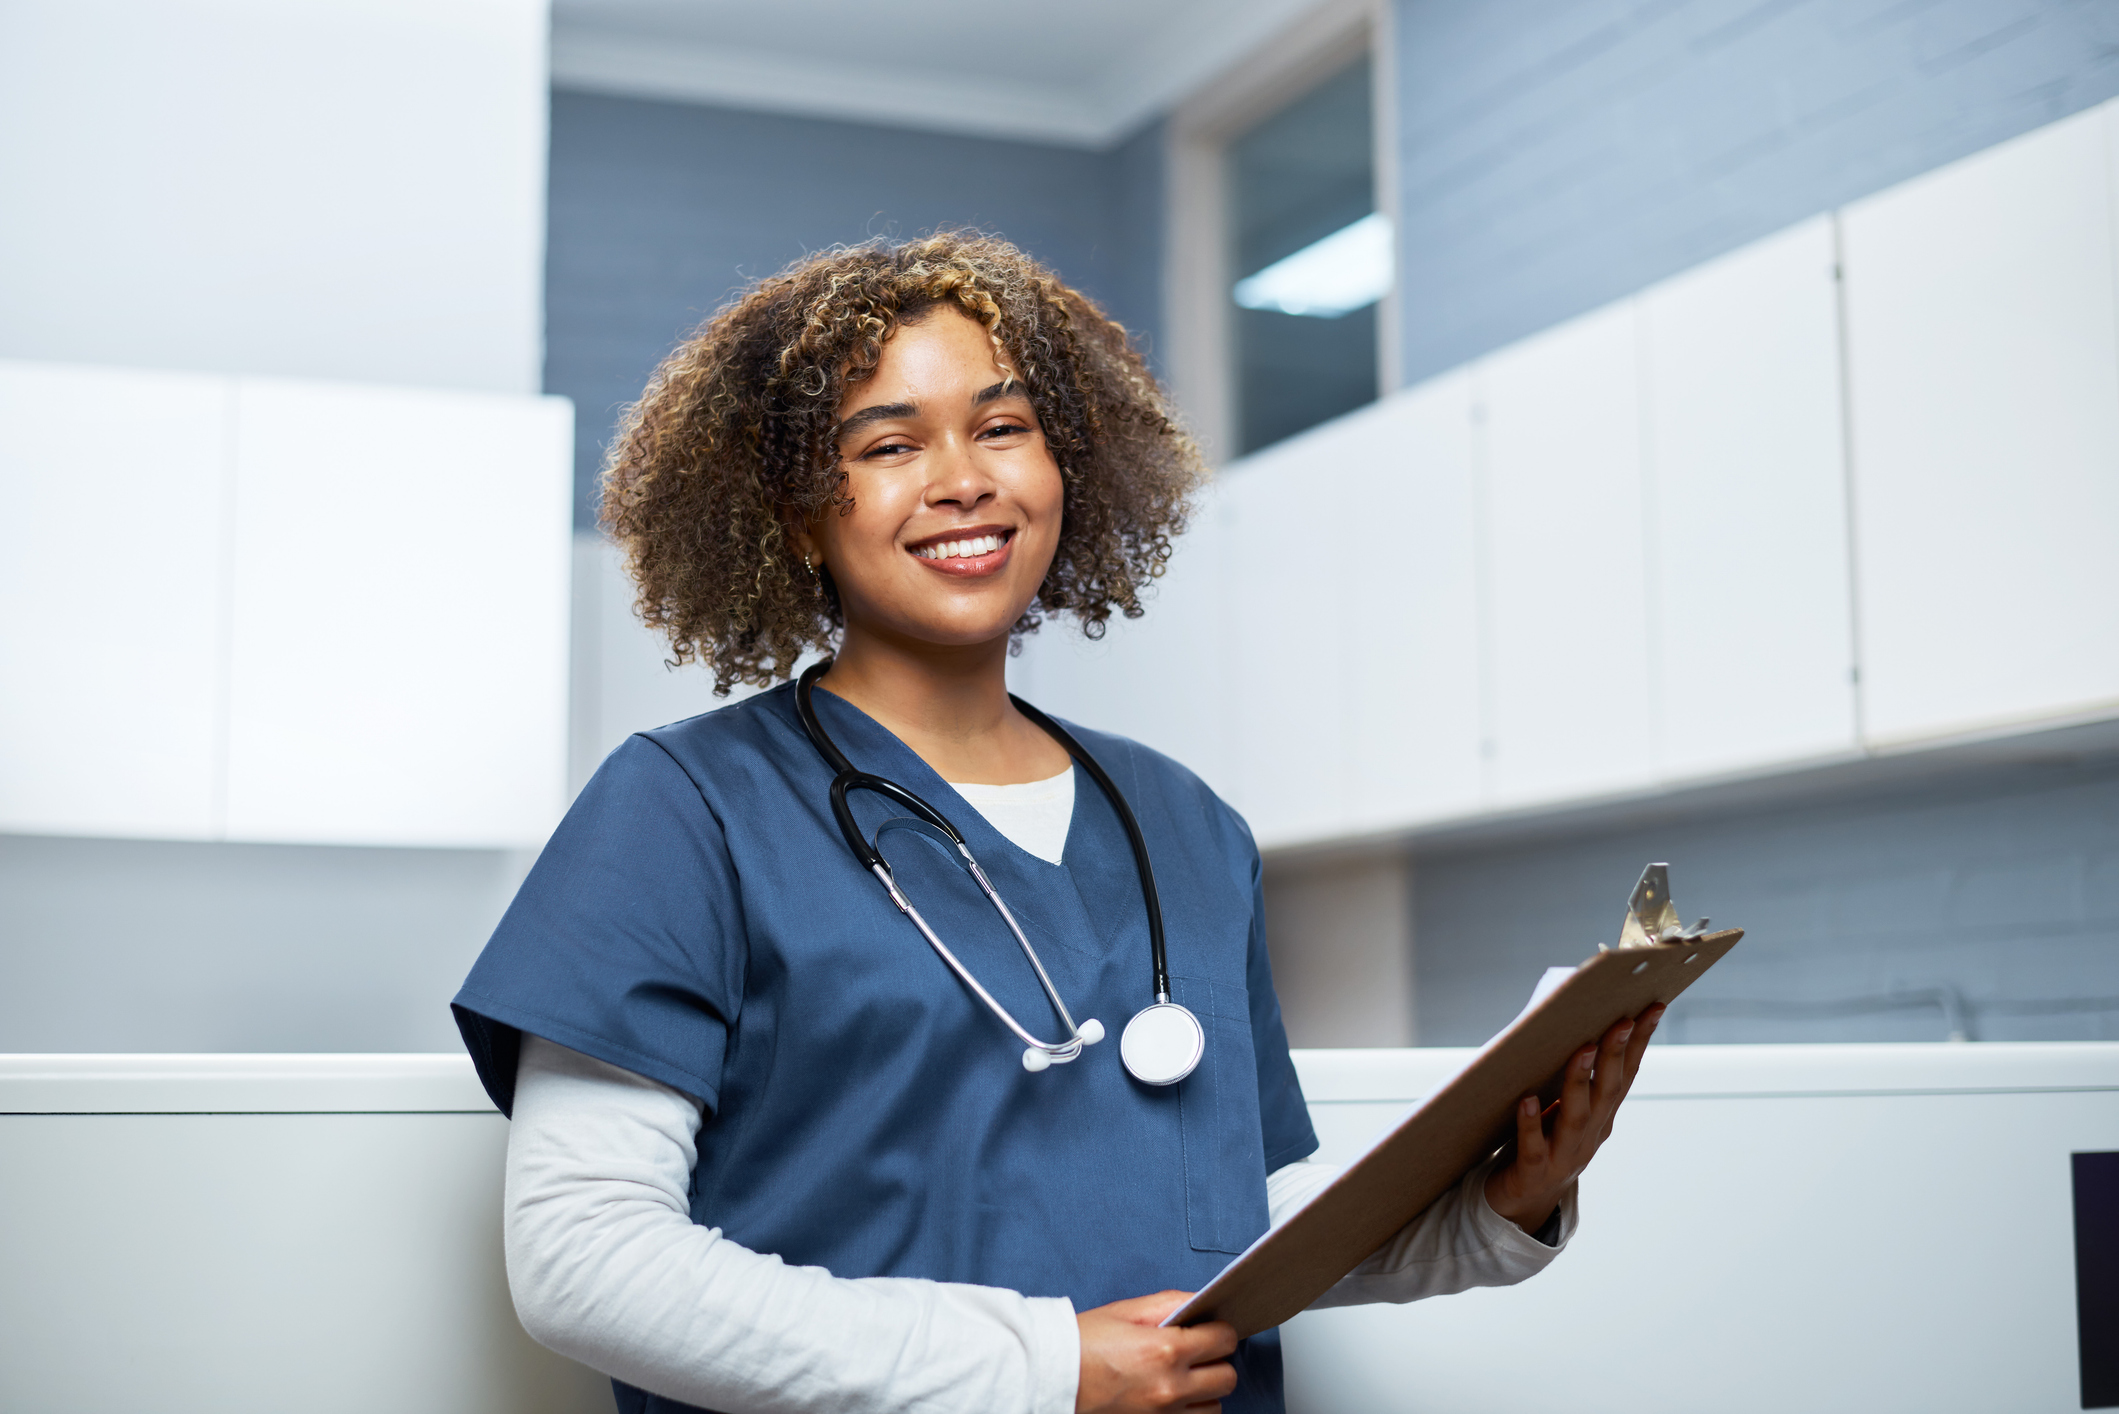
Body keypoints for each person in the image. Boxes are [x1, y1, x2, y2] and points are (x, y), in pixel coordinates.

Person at [452, 232, 1662, 1414]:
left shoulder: (1187, 825)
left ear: (1065, 467)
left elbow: (1217, 1245)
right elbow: (586, 1263)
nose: (963, 477)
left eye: (1002, 426)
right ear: (791, 513)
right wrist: (1037, 1370)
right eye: (887, 444)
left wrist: (1493, 1208)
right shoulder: (683, 807)